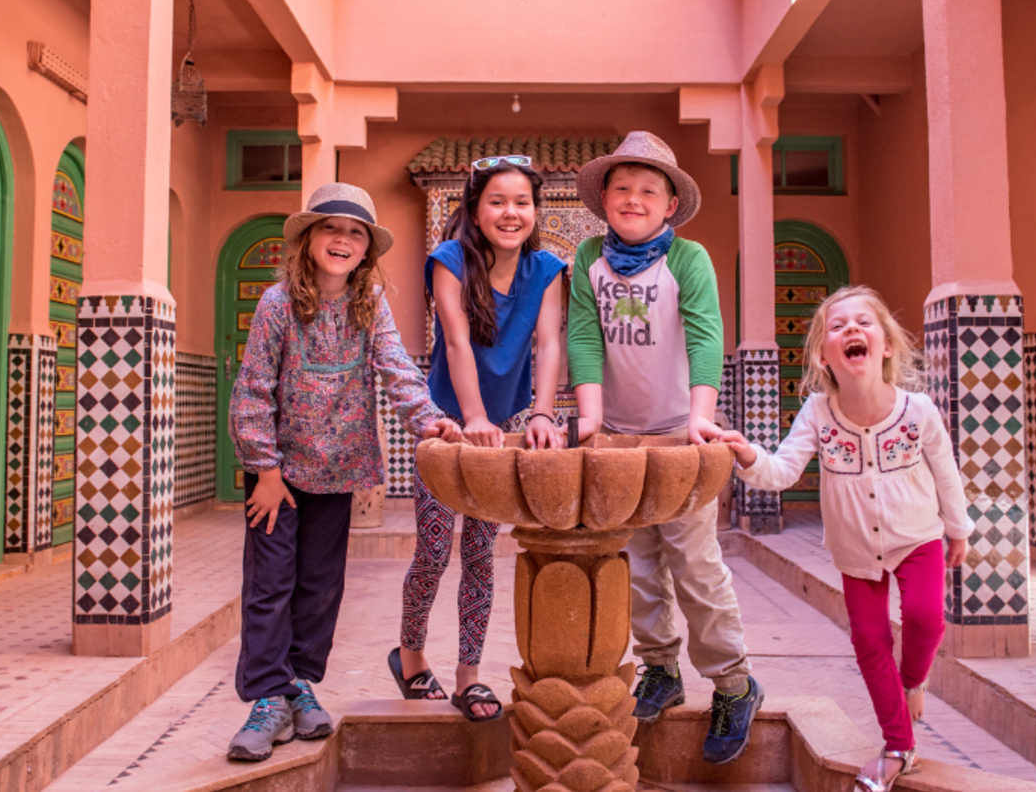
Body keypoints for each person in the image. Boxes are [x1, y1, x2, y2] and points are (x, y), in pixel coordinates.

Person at [703, 285, 972, 792]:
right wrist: (745, 452)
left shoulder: (918, 411)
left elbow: (946, 474)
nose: (851, 329)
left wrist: (958, 529)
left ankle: (913, 679)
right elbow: (782, 471)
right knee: (870, 644)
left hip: (918, 537)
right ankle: (898, 745)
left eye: (863, 323)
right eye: (837, 326)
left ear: (886, 346)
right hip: (854, 551)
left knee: (925, 619)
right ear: (824, 356)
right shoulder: (818, 413)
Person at [226, 183, 461, 762]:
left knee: (319, 585)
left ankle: (299, 686)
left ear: (366, 251)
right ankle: (266, 698)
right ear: (308, 239)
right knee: (269, 586)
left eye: (356, 233)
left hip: (337, 473)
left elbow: (398, 369)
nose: (343, 240)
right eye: (331, 228)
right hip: (278, 476)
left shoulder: (369, 304)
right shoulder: (278, 303)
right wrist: (265, 470)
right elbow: (253, 389)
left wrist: (431, 421)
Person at [566, 131, 763, 765]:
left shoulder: (689, 259)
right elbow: (584, 337)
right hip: (619, 436)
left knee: (695, 564)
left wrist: (700, 421)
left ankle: (734, 683)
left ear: (670, 204)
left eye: (648, 189)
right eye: (621, 187)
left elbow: (707, 337)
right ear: (603, 200)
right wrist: (591, 423)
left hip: (682, 432)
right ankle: (660, 669)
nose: (632, 198)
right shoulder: (587, 257)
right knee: (639, 566)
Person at [391, 155, 569, 722]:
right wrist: (472, 418)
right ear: (474, 208)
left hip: (508, 420)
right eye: (497, 201)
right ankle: (412, 655)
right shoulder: (448, 261)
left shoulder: (547, 270)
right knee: (434, 548)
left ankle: (470, 676)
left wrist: (542, 412)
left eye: (522, 202)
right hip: (445, 423)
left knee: (481, 553)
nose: (510, 212)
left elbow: (549, 344)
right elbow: (458, 342)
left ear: (535, 211)